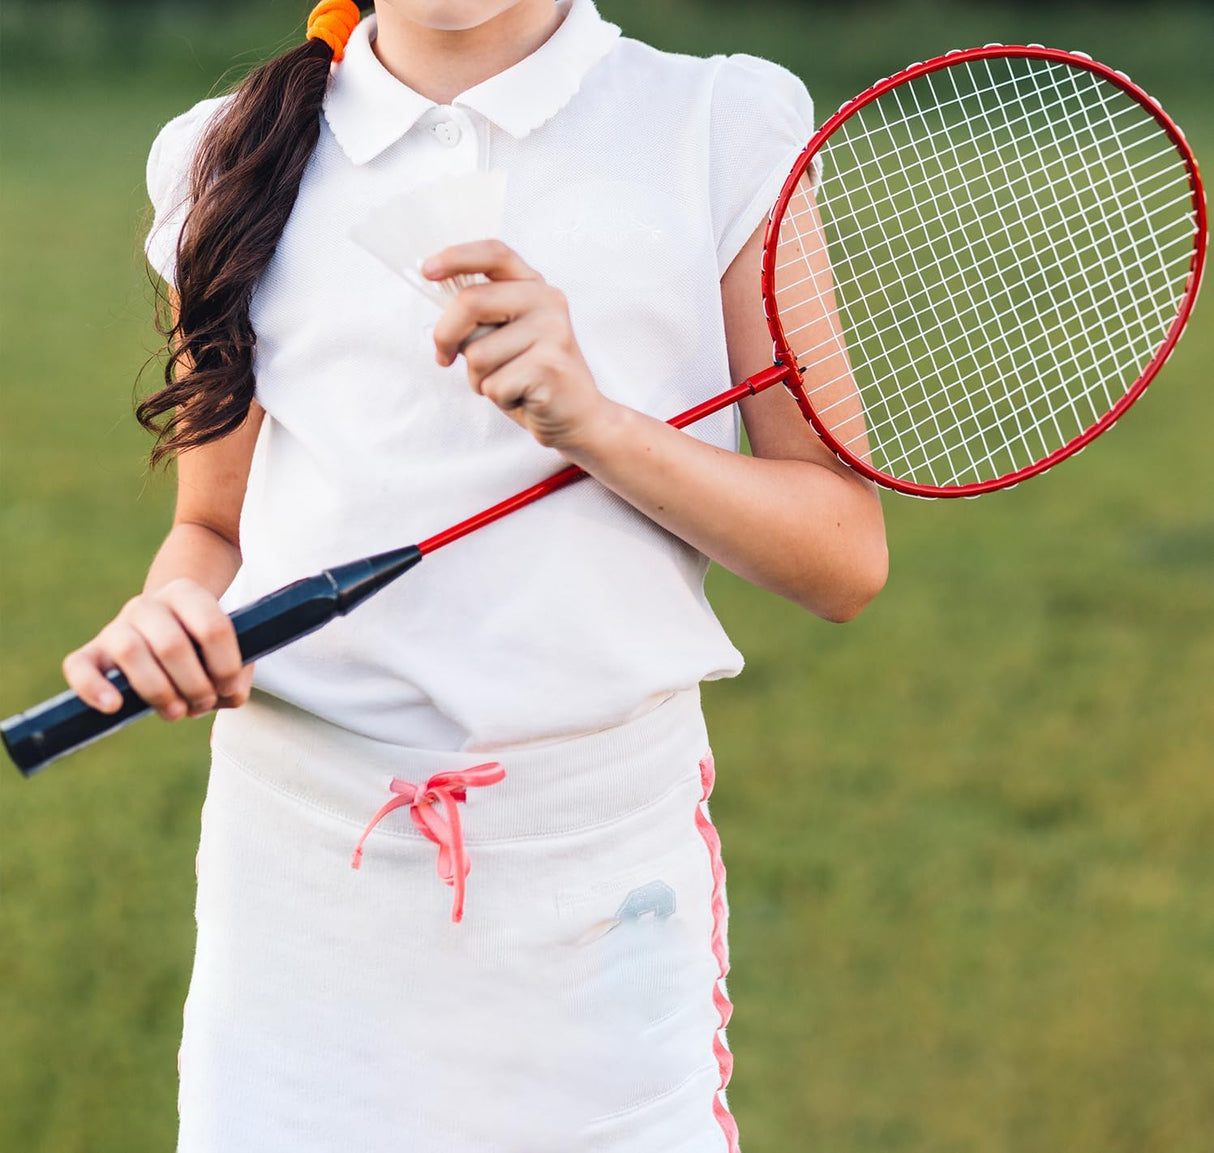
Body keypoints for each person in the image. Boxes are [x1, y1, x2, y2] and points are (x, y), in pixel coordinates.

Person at [62, 1, 887, 1148]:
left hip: (599, 906)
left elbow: (842, 552)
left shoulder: (718, 124)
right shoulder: (221, 154)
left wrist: (593, 423)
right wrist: (171, 614)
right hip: (298, 905)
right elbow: (212, 526)